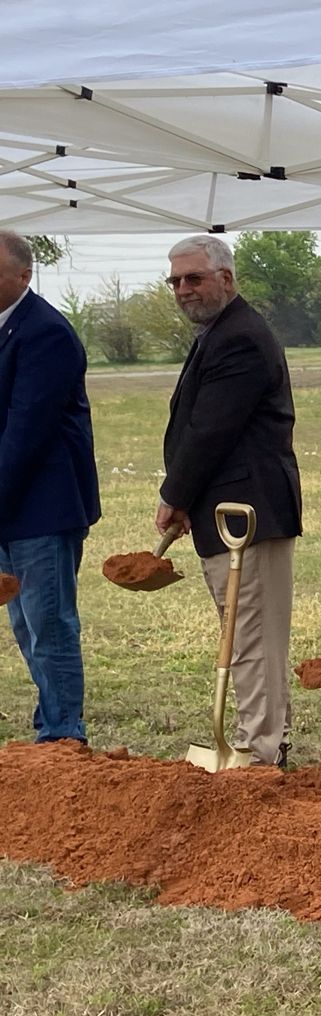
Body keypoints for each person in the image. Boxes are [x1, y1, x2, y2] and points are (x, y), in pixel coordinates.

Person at [159, 234, 301, 767]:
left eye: (193, 278)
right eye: (175, 281)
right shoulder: (218, 332)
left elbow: (210, 430)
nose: (183, 289)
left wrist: (173, 494)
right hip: (228, 512)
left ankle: (260, 754)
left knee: (251, 637)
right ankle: (265, 739)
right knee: (244, 632)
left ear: (226, 278)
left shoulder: (239, 337)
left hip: (248, 513)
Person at [0, 230, 100, 745]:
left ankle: (64, 732)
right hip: (11, 506)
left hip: (43, 506)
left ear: (23, 276)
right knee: (23, 624)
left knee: (49, 623)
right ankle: (51, 721)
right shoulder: (6, 328)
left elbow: (26, 432)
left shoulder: (45, 333)